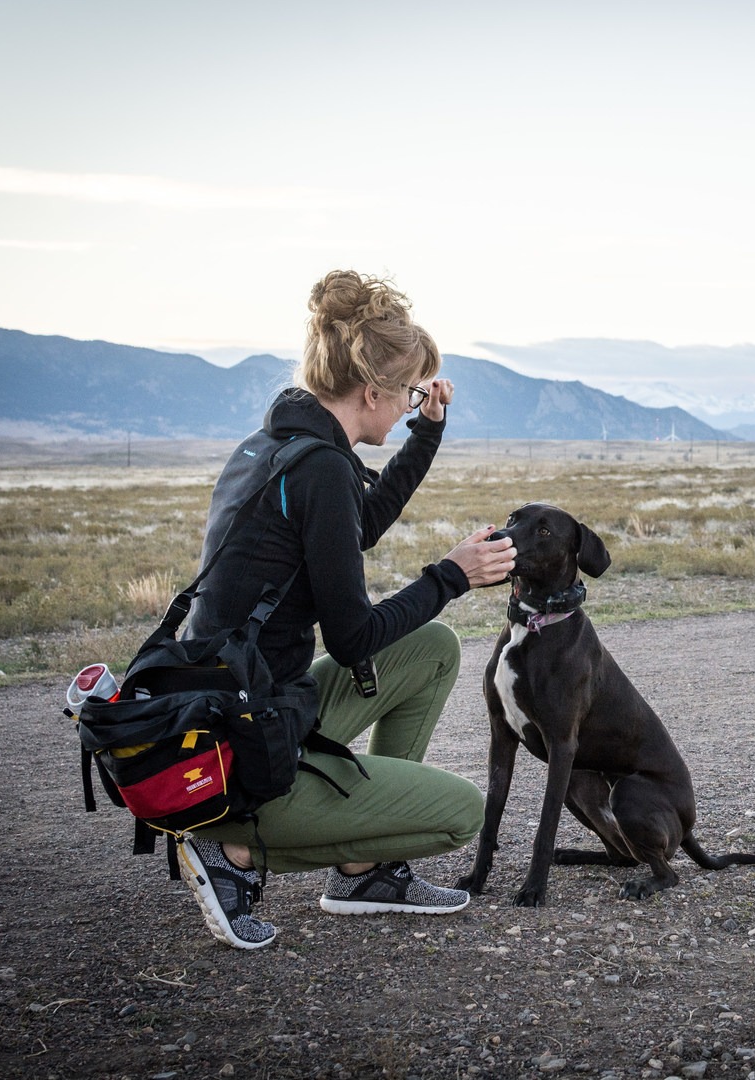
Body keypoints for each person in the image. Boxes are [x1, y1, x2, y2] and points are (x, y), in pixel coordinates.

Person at [177, 269, 515, 949]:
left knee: (430, 650)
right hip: (248, 741)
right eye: (412, 392)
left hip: (240, 706)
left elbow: (357, 527)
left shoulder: (282, 445)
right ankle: (231, 847)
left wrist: (425, 433)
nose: (414, 401)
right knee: (459, 814)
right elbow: (355, 639)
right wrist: (452, 574)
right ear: (372, 393)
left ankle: (364, 873)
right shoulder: (320, 468)